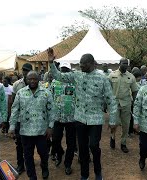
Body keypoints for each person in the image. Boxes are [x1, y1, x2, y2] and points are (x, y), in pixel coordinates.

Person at [48, 48, 117, 180]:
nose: (80, 67)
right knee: (83, 149)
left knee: (94, 146)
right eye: (79, 65)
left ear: (91, 64)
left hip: (95, 119)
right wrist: (51, 63)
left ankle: (98, 172)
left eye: (83, 65)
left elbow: (111, 100)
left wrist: (113, 120)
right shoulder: (77, 75)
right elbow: (59, 76)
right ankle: (84, 175)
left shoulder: (103, 78)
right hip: (79, 119)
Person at [8, 71, 55, 180]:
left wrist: (50, 127)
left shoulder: (46, 92)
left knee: (43, 153)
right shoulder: (20, 93)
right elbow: (15, 110)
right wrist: (12, 126)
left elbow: (52, 111)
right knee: (28, 156)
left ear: (38, 79)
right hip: (25, 131)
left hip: (42, 131)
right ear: (26, 80)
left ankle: (44, 167)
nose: (32, 81)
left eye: (35, 79)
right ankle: (32, 176)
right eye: (30, 79)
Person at [50, 62, 77, 175]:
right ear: (60, 70)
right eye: (63, 69)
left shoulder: (75, 82)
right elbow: (50, 97)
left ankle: (68, 164)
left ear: (70, 71)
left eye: (66, 69)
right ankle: (59, 153)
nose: (64, 71)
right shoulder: (54, 82)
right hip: (57, 117)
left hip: (71, 118)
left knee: (71, 143)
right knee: (55, 140)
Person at [109, 58, 139, 153]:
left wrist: (135, 103)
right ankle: (112, 137)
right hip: (114, 103)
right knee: (115, 123)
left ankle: (123, 143)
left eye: (127, 64)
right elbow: (107, 90)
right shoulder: (112, 75)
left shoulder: (131, 77)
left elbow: (134, 91)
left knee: (126, 124)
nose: (125, 65)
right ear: (119, 64)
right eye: (123, 63)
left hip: (126, 103)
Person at [12, 62, 33, 174]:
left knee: (33, 143)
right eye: (24, 70)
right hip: (20, 120)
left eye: (27, 70)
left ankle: (32, 163)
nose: (25, 72)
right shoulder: (16, 84)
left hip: (34, 120)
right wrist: (13, 121)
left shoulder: (38, 84)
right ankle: (20, 165)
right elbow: (14, 104)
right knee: (19, 144)